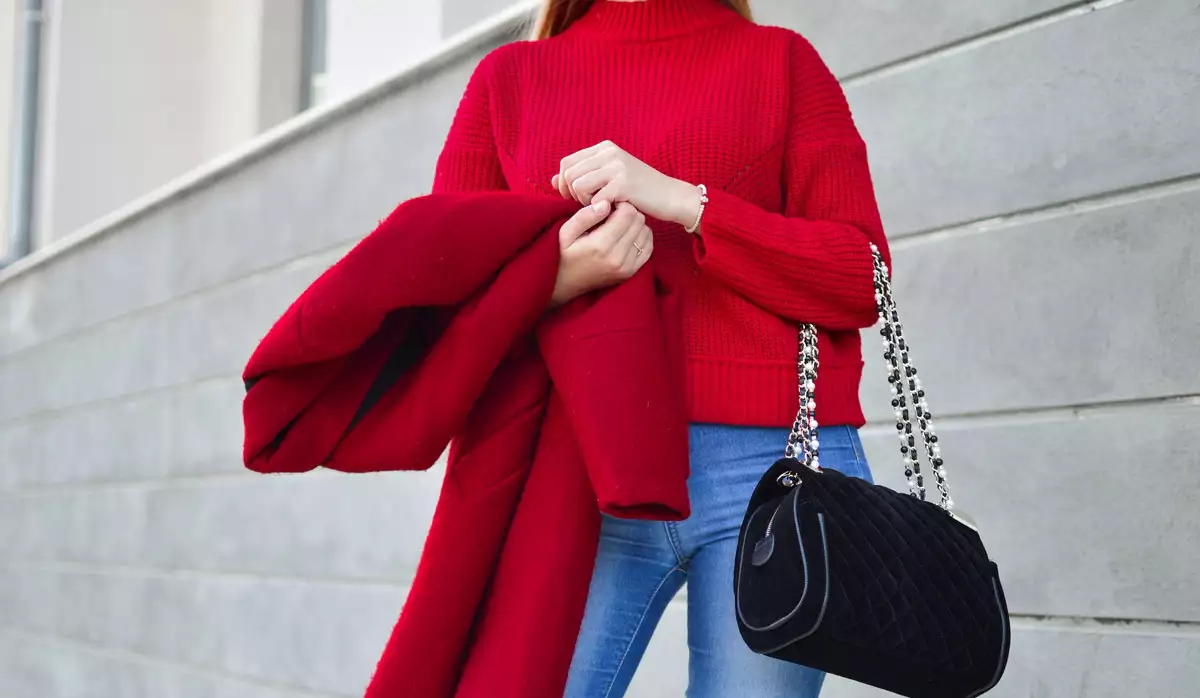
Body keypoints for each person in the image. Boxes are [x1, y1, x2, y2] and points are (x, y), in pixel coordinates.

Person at [432, 1, 889, 696]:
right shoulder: (510, 79)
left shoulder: (782, 63)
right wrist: (557, 278)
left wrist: (688, 204)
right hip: (573, 470)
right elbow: (442, 301)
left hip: (774, 469)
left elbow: (863, 277)